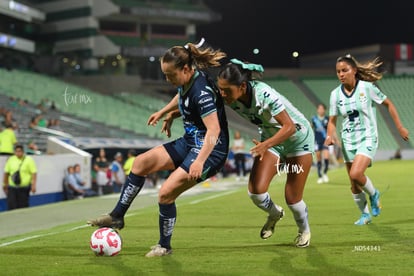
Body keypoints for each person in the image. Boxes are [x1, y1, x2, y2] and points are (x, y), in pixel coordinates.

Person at [88, 38, 229, 257]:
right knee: (140, 162)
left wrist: (200, 161)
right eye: (165, 74)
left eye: (170, 75)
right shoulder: (187, 80)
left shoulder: (202, 92)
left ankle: (165, 246)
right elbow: (182, 95)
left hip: (211, 150)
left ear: (185, 69)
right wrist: (165, 112)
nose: (167, 79)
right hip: (191, 141)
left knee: (165, 194)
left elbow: (214, 131)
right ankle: (117, 215)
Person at [215, 59, 314, 248]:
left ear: (242, 86)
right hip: (272, 142)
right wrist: (169, 113)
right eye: (220, 89)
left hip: (298, 141)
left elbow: (290, 127)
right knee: (256, 193)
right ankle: (275, 213)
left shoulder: (264, 94)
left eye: (226, 90)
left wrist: (265, 145)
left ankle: (304, 231)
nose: (222, 94)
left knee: (293, 199)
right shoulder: (228, 95)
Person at [325, 54, 409, 225]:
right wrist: (329, 135)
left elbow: (389, 104)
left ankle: (374, 193)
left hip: (368, 138)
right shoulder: (335, 95)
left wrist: (399, 126)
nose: (341, 74)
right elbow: (332, 121)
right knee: (354, 184)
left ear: (354, 71)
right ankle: (365, 215)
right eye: (338, 71)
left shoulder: (367, 88)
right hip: (348, 141)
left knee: (356, 174)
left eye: (344, 70)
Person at [2, 144, 37, 210]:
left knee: (23, 207)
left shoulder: (29, 160)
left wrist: (33, 185)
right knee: (12, 206)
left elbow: (34, 173)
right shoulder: (11, 160)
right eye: (16, 151)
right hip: (12, 188)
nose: (18, 153)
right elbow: (6, 173)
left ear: (23, 152)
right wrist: (4, 184)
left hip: (24, 188)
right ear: (14, 152)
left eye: (20, 151)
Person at [311, 103, 330, 183]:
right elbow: (310, 127)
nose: (320, 110)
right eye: (319, 108)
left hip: (325, 141)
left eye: (322, 108)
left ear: (324, 110)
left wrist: (335, 139)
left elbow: (331, 129)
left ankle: (325, 173)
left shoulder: (327, 118)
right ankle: (319, 176)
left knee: (326, 158)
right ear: (317, 110)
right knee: (318, 159)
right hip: (317, 141)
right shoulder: (314, 119)